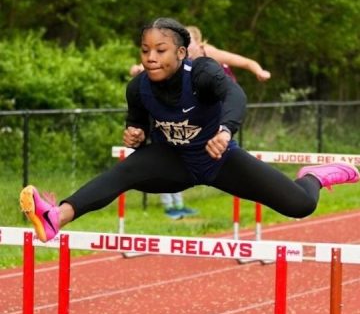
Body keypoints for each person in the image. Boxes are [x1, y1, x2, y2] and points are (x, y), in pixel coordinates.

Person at [20, 17, 359, 243]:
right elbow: (137, 123)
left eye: (160, 50)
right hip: (174, 161)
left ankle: (315, 175)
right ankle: (57, 216)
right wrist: (135, 134)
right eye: (145, 50)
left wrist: (225, 132)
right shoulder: (138, 87)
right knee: (125, 170)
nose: (151, 57)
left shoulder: (202, 72)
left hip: (219, 159)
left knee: (299, 205)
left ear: (181, 53)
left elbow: (235, 96)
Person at [130, 64, 197, 221]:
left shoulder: (187, 69)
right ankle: (168, 206)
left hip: (175, 134)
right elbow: (136, 69)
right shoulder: (152, 74)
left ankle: (179, 205)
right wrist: (137, 70)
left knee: (178, 169)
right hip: (157, 134)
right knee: (163, 171)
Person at [186, 25, 271, 82]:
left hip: (227, 93)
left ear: (198, 42)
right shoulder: (180, 57)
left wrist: (259, 71)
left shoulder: (210, 53)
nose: (184, 46)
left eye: (188, 42)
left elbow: (247, 62)